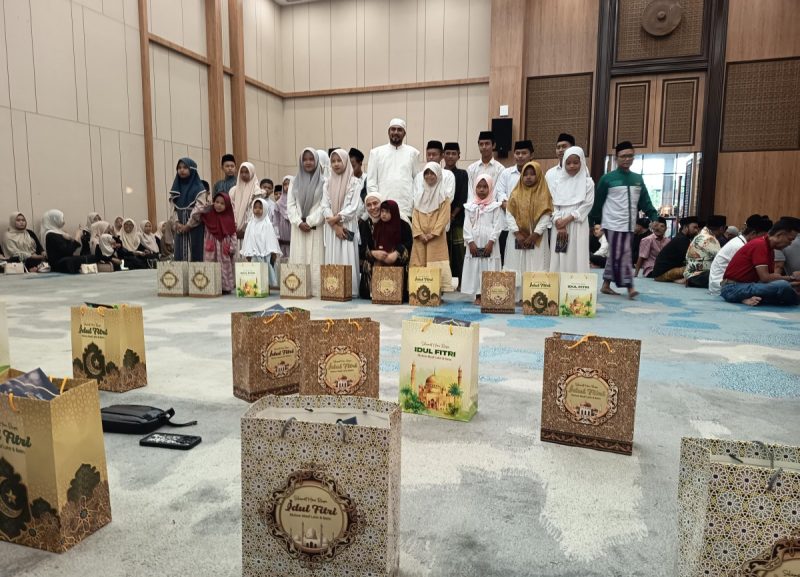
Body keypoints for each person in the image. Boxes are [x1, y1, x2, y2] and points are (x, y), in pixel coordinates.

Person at [589, 141, 659, 299]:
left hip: (629, 225)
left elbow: (645, 201)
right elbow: (597, 202)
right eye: (623, 156)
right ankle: (629, 286)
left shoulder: (637, 179)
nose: (627, 159)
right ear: (616, 158)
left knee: (616, 253)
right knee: (624, 253)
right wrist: (591, 222)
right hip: (611, 224)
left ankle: (606, 285)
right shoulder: (607, 179)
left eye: (630, 156)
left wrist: (653, 216)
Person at [721, 217, 800, 306]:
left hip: (744, 286)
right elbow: (765, 278)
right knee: (783, 286)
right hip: (732, 288)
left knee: (783, 288)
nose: (790, 244)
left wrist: (794, 283)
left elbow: (768, 280)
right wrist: (792, 278)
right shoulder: (760, 244)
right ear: (779, 235)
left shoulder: (769, 249)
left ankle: (745, 298)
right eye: (790, 240)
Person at [504, 161, 553, 301]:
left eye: (532, 174)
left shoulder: (544, 194)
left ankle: (534, 298)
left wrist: (535, 234)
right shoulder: (515, 193)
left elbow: (546, 215)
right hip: (516, 236)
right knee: (516, 264)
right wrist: (517, 233)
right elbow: (509, 214)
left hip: (537, 236)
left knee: (536, 264)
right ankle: (516, 297)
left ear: (539, 176)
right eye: (525, 174)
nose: (529, 177)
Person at [321, 148, 362, 296]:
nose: (336, 164)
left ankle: (349, 290)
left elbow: (354, 207)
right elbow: (324, 206)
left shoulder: (355, 182)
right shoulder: (327, 183)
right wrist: (334, 225)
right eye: (333, 161)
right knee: (333, 256)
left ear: (345, 161)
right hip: (332, 227)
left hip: (347, 224)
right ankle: (333, 289)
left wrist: (337, 219)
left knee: (347, 255)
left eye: (339, 160)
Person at [548, 146, 594, 274]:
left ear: (582, 162)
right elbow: (552, 204)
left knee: (577, 254)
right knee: (559, 255)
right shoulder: (558, 183)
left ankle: (576, 285)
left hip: (578, 223)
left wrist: (567, 220)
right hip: (559, 225)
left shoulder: (588, 183)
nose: (572, 166)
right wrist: (558, 221)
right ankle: (559, 284)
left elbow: (587, 204)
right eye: (568, 163)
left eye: (575, 162)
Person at [366, 118, 420, 223]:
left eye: (399, 130)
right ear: (388, 132)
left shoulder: (413, 153)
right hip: (383, 208)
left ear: (404, 133)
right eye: (393, 129)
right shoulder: (376, 153)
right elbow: (371, 182)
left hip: (405, 207)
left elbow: (417, 181)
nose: (396, 132)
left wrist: (413, 203)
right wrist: (376, 205)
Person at [287, 148, 325, 296]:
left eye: (311, 159)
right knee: (299, 256)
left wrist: (309, 221)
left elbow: (323, 206)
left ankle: (315, 289)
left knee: (315, 258)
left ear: (316, 160)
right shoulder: (294, 182)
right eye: (305, 159)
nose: (308, 162)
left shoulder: (324, 182)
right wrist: (298, 222)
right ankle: (298, 288)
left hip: (314, 227)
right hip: (298, 228)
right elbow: (290, 205)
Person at [410, 162, 453, 292]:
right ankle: (418, 292)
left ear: (438, 175)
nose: (429, 176)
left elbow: (444, 217)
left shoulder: (444, 196)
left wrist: (433, 234)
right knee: (419, 261)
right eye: (426, 173)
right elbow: (415, 216)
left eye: (432, 173)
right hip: (420, 238)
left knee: (437, 261)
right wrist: (419, 233)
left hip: (436, 238)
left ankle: (437, 292)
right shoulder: (419, 195)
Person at [461, 174, 503, 305]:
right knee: (476, 268)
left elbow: (498, 225)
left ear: (490, 188)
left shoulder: (495, 206)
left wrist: (491, 242)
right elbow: (466, 225)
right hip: (474, 242)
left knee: (488, 267)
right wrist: (470, 242)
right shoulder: (470, 206)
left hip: (489, 242)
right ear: (475, 188)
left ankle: (490, 294)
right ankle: (478, 295)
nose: (482, 189)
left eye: (485, 187)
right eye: (479, 186)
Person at [708, 215, 772, 295]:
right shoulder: (739, 245)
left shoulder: (740, 242)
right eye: (762, 238)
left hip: (724, 284)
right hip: (722, 287)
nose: (763, 241)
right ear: (753, 233)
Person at [495, 140, 535, 266]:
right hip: (507, 225)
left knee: (527, 261)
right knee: (508, 261)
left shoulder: (537, 174)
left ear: (531, 155)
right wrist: (513, 210)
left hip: (529, 227)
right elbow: (500, 194)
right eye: (517, 153)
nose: (520, 156)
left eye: (524, 153)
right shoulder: (506, 173)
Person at [191, 192, 237, 293]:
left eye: (222, 203)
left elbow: (233, 234)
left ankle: (225, 287)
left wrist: (232, 248)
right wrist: (206, 208)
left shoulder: (229, 219)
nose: (219, 205)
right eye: (216, 202)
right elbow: (195, 215)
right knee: (210, 266)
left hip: (224, 249)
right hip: (210, 248)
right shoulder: (208, 216)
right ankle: (210, 285)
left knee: (224, 267)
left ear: (227, 205)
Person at [371, 199, 413, 300]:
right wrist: (377, 253)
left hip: (397, 262)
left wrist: (396, 253)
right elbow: (372, 244)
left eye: (387, 212)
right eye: (382, 211)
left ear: (393, 212)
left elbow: (408, 243)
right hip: (380, 260)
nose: (383, 214)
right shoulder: (377, 226)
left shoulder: (403, 225)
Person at [169, 157, 208, 261]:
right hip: (180, 229)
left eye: (185, 167)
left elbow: (199, 208)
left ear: (192, 169)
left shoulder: (199, 189)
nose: (182, 170)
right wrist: (176, 223)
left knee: (196, 255)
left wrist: (188, 225)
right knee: (179, 255)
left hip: (195, 228)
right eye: (179, 167)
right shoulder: (175, 189)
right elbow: (173, 208)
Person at [443, 142, 469, 288]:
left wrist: (452, 215)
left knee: (459, 252)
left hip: (457, 219)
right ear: (443, 155)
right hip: (441, 221)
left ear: (459, 156)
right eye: (447, 153)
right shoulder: (438, 173)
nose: (450, 156)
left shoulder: (462, 174)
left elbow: (463, 197)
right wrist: (443, 217)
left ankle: (460, 283)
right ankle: (445, 282)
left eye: (454, 153)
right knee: (443, 252)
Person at [241, 197, 281, 286]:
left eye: (260, 208)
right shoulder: (251, 224)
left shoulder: (267, 224)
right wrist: (247, 252)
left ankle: (267, 287)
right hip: (254, 253)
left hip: (266, 254)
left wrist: (272, 252)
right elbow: (248, 238)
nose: (257, 210)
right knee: (255, 273)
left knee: (266, 272)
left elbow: (271, 239)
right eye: (255, 207)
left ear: (265, 209)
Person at [684, 215, 727, 288]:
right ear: (721, 228)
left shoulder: (701, 235)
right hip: (697, 277)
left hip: (691, 275)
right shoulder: (710, 239)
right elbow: (722, 258)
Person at [652, 216, 700, 281]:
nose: (696, 230)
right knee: (695, 268)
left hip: (661, 272)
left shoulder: (682, 237)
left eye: (697, 228)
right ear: (685, 227)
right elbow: (688, 259)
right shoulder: (682, 240)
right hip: (661, 274)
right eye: (694, 227)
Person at [467, 131, 505, 202]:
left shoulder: (500, 169)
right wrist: (474, 206)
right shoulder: (471, 168)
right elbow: (470, 192)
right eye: (481, 144)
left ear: (493, 145)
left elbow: (498, 191)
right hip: (474, 206)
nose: (484, 147)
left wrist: (489, 205)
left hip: (493, 206)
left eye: (487, 144)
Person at [358, 191, 382, 299]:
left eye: (375, 203)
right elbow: (361, 250)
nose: (373, 207)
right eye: (369, 205)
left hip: (391, 261)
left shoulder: (393, 221)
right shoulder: (364, 224)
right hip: (371, 262)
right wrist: (373, 253)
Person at [229, 162, 259, 240]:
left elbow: (254, 212)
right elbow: (231, 208)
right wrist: (234, 226)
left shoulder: (256, 191)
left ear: (252, 172)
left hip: (251, 231)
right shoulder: (233, 191)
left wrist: (245, 229)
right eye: (241, 172)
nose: (243, 174)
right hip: (234, 231)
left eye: (246, 172)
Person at [274, 175, 292, 258]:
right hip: (282, 236)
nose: (287, 186)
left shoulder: (297, 201)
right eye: (285, 184)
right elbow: (276, 221)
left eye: (289, 184)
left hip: (294, 235)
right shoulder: (278, 203)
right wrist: (277, 235)